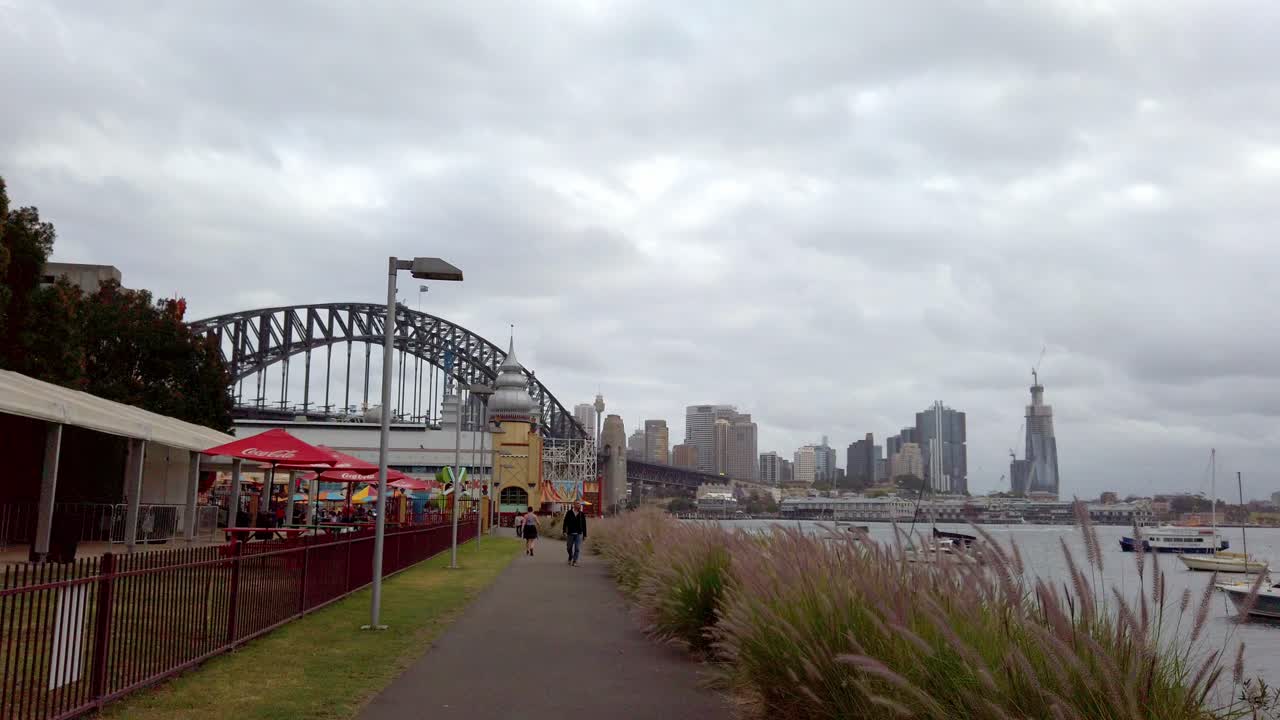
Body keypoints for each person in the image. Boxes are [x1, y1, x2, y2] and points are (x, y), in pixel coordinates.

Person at [563, 500, 587, 566]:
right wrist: (564, 531)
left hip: (578, 534)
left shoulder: (581, 514)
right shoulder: (569, 513)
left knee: (577, 548)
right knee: (569, 547)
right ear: (574, 505)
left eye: (579, 504)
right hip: (570, 533)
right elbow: (565, 522)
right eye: (577, 503)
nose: (579, 505)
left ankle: (575, 561)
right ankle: (570, 556)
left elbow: (584, 525)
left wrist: (585, 535)